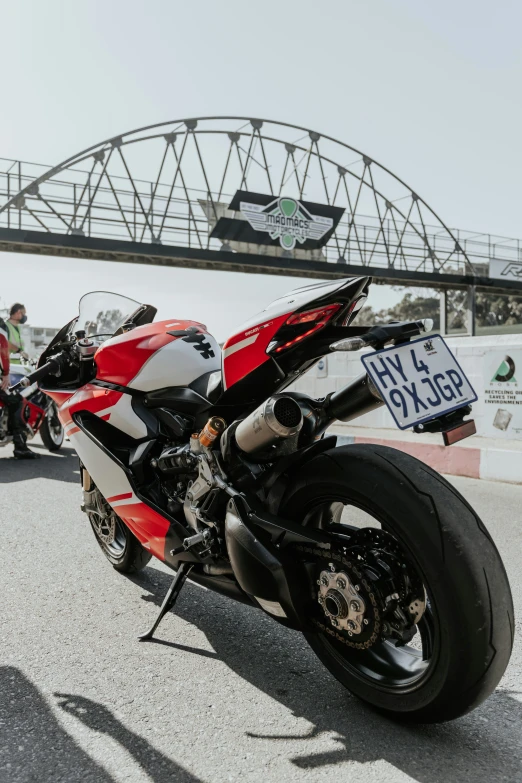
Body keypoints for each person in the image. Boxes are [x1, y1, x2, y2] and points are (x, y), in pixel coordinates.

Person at [0, 312, 39, 459]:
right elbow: (3, 348)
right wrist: (5, 373)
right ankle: (20, 447)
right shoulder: (1, 325)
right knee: (17, 402)